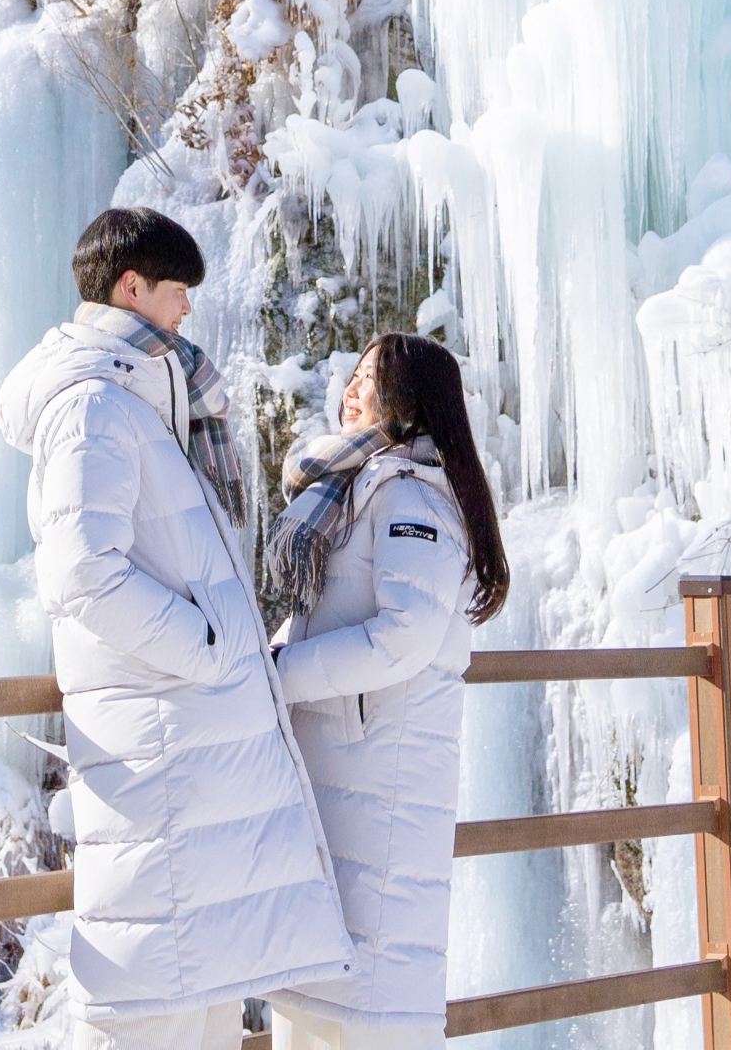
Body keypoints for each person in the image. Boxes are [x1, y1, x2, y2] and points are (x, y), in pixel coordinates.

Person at [0, 206, 353, 1050]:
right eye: (177, 290)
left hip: (187, 762)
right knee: (154, 1011)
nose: (188, 308)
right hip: (162, 750)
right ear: (131, 287)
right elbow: (83, 569)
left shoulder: (144, 404)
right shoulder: (92, 408)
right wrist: (205, 647)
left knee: (200, 1004)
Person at [262, 333, 510, 1050]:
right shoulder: (359, 486)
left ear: (408, 402)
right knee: (319, 1002)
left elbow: (403, 636)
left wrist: (281, 675)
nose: (350, 388)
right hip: (346, 773)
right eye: (353, 374)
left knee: (367, 1010)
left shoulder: (413, 498)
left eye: (369, 378)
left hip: (380, 778)